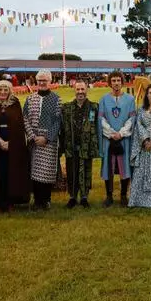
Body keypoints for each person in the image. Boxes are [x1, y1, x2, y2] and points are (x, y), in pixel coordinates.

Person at [0, 80, 30, 211]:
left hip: (12, 143)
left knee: (11, 171)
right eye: (0, 90)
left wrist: (10, 142)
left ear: (10, 91)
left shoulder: (15, 103)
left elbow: (19, 125)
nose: (3, 92)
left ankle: (10, 201)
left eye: (5, 90)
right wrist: (0, 141)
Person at [23, 69, 62, 210]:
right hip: (34, 142)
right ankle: (37, 200)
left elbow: (58, 121)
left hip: (48, 142)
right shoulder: (30, 99)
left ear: (50, 81)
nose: (42, 82)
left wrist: (46, 138)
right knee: (34, 171)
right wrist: (33, 137)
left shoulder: (57, 99)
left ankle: (46, 200)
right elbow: (25, 119)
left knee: (47, 171)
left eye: (44, 80)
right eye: (39, 80)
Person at [98, 70, 136, 207]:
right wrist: (111, 133)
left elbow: (132, 119)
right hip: (109, 139)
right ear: (110, 83)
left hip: (124, 139)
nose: (116, 83)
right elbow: (101, 119)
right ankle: (109, 196)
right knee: (108, 166)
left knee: (124, 166)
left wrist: (121, 133)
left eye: (118, 80)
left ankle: (123, 195)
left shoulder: (130, 100)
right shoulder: (103, 99)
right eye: (113, 81)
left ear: (122, 82)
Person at [60, 79, 100, 209]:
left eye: (83, 89)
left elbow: (97, 127)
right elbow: (61, 127)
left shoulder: (94, 107)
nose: (80, 92)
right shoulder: (66, 108)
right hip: (71, 146)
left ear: (87, 90)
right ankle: (72, 197)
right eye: (78, 89)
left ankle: (84, 197)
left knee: (86, 171)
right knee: (72, 171)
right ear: (74, 90)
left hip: (87, 146)